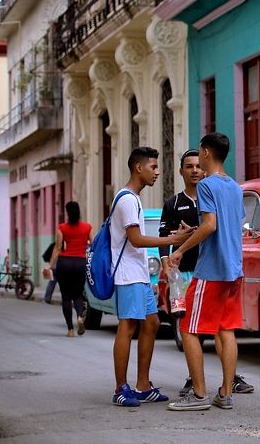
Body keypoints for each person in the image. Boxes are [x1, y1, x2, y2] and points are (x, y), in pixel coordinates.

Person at [159, 149, 254, 397]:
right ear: (181, 171)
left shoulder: (207, 187)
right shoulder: (233, 186)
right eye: (188, 166)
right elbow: (233, 225)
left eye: (197, 163)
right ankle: (223, 391)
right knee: (224, 329)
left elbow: (210, 226)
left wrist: (181, 246)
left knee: (189, 328)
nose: (194, 169)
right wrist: (170, 255)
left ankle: (200, 392)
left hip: (208, 272)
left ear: (206, 155)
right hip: (224, 271)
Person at [110, 146, 193, 408]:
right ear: (139, 168)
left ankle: (143, 385)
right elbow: (135, 239)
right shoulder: (127, 199)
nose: (157, 172)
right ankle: (120, 389)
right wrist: (173, 239)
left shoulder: (133, 197)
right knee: (128, 326)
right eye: (153, 167)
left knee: (152, 322)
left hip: (139, 274)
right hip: (128, 275)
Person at [47, 202, 92, 337]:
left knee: (66, 297)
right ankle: (79, 316)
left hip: (64, 263)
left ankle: (70, 330)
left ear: (67, 213)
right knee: (78, 295)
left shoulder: (62, 228)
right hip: (80, 263)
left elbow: (57, 247)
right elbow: (93, 244)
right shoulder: (87, 227)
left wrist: (49, 265)